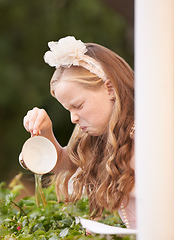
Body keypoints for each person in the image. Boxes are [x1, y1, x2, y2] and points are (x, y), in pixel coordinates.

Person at [23, 36, 136, 229]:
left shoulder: (148, 138)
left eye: (78, 106)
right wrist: (45, 133)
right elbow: (65, 163)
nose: (73, 119)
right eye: (69, 110)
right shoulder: (104, 137)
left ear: (109, 88)